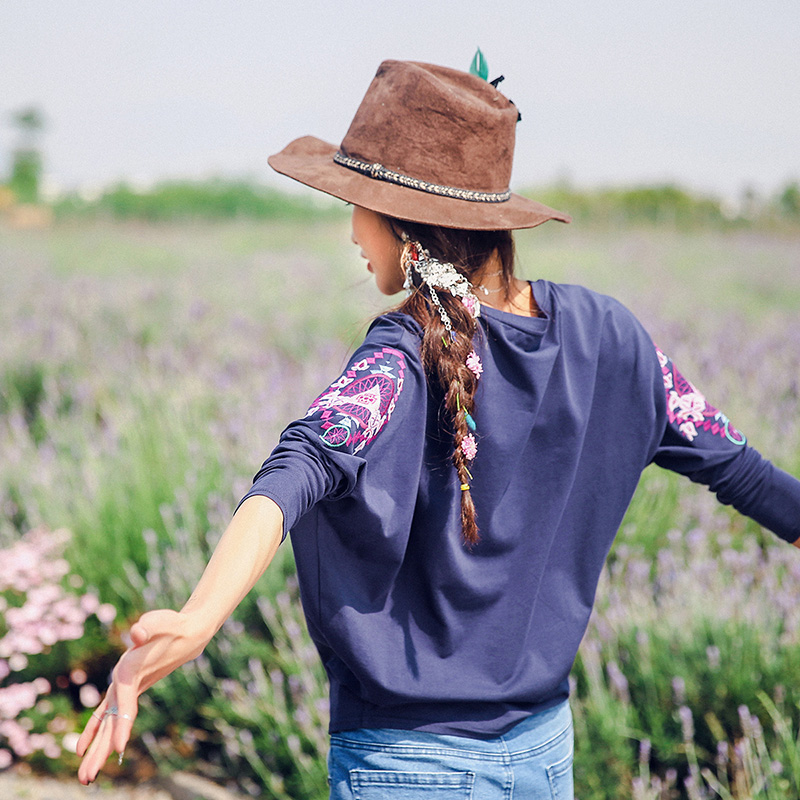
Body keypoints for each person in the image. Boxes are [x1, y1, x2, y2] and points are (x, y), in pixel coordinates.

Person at [75, 60, 800, 798]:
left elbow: (294, 470)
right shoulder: (614, 338)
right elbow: (745, 472)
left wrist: (199, 619)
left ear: (410, 230)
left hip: (410, 766)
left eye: (359, 203)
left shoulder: (399, 355)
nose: (353, 227)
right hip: (544, 755)